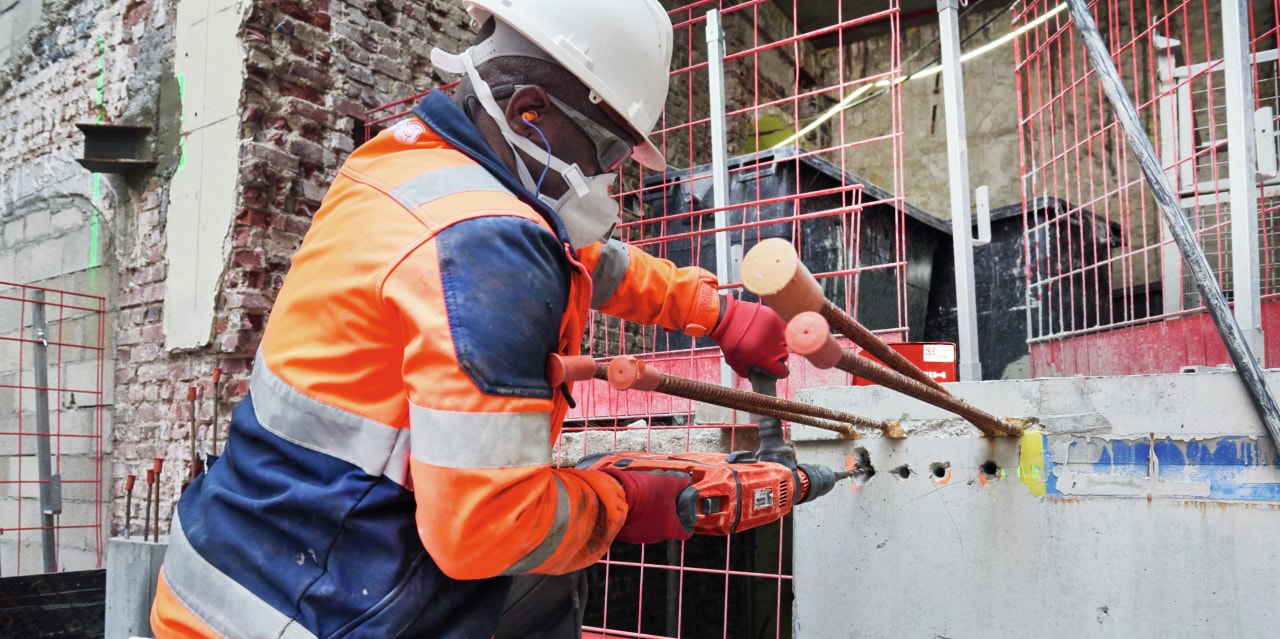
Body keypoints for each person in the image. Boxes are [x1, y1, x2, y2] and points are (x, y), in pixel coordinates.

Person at [150, 0, 789, 636]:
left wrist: (714, 311)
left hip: (229, 567)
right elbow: (487, 532)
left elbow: (585, 256)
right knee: (539, 565)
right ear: (528, 112)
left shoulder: (409, 160)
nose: (605, 174)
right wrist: (625, 502)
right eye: (608, 148)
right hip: (313, 610)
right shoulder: (488, 245)